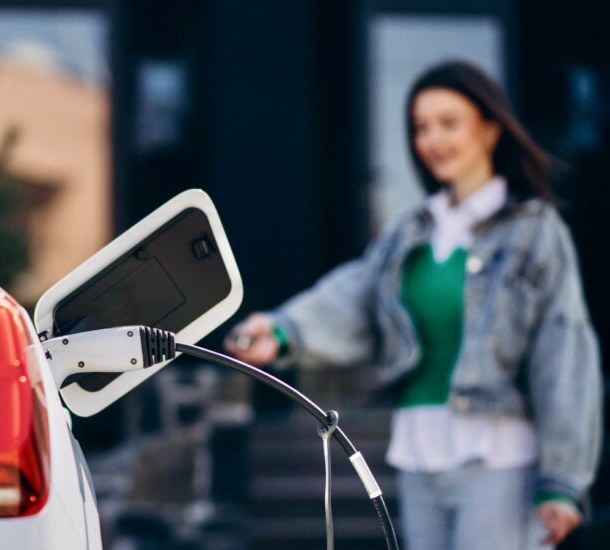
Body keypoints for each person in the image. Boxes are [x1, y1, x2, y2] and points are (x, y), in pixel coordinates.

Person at [225, 60, 602, 550]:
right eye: (421, 127)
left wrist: (563, 479)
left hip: (500, 461)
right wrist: (281, 330)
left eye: (449, 123)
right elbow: (354, 296)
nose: (432, 140)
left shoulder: (535, 232)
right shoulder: (410, 232)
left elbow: (565, 352)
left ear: (489, 129)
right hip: (419, 455)